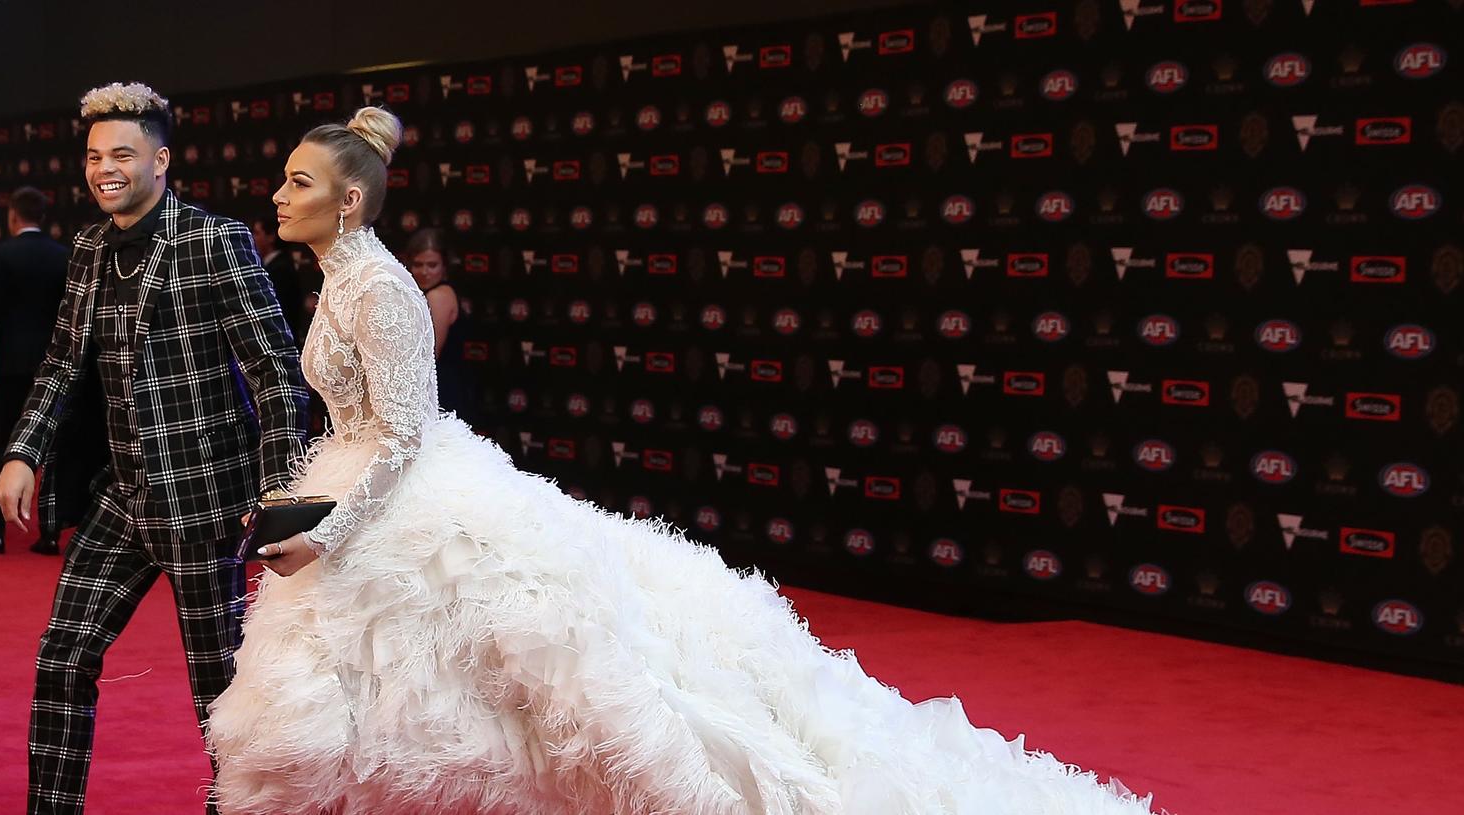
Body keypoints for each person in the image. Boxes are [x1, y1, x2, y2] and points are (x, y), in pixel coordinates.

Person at [207, 107, 1153, 815]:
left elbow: (408, 434)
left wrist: (329, 527)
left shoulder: (381, 291)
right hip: (357, 495)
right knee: (377, 706)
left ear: (352, 196)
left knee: (535, 688)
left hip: (408, 501)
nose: (280, 194)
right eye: (285, 179)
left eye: (297, 179)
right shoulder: (336, 285)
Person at [0, 82, 308, 815]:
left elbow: (274, 371)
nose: (105, 168)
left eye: (122, 154)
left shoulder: (211, 239)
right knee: (62, 655)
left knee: (219, 695)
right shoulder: (91, 248)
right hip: (124, 498)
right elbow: (64, 362)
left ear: (160, 161)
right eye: (95, 155)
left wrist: (278, 498)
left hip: (208, 504)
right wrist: (21, 453)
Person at [0, 186, 70, 555]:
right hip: (55, 365)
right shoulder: (62, 255)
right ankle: (50, 532)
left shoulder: (1, 255)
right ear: (44, 217)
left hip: (11, 365)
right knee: (54, 450)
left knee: (3, 442)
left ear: (13, 216)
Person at [402, 227, 474, 422]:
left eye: (432, 265)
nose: (424, 272)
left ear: (444, 266)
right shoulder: (423, 294)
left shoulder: (438, 295)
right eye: (418, 264)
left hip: (439, 394)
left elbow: (430, 355)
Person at [249, 217, 309, 343]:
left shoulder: (280, 269)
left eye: (257, 233)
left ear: (271, 236)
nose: (252, 238)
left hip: (280, 344)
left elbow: (278, 314)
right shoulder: (272, 266)